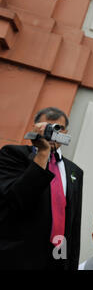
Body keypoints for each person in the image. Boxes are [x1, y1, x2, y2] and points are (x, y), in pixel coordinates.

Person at [0, 107, 84, 270]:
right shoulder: (11, 154)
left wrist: (69, 263)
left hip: (57, 256)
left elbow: (73, 223)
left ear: (65, 132)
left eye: (57, 128)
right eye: (46, 126)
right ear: (35, 127)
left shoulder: (74, 171)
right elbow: (17, 199)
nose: (51, 132)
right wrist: (43, 152)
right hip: (17, 256)